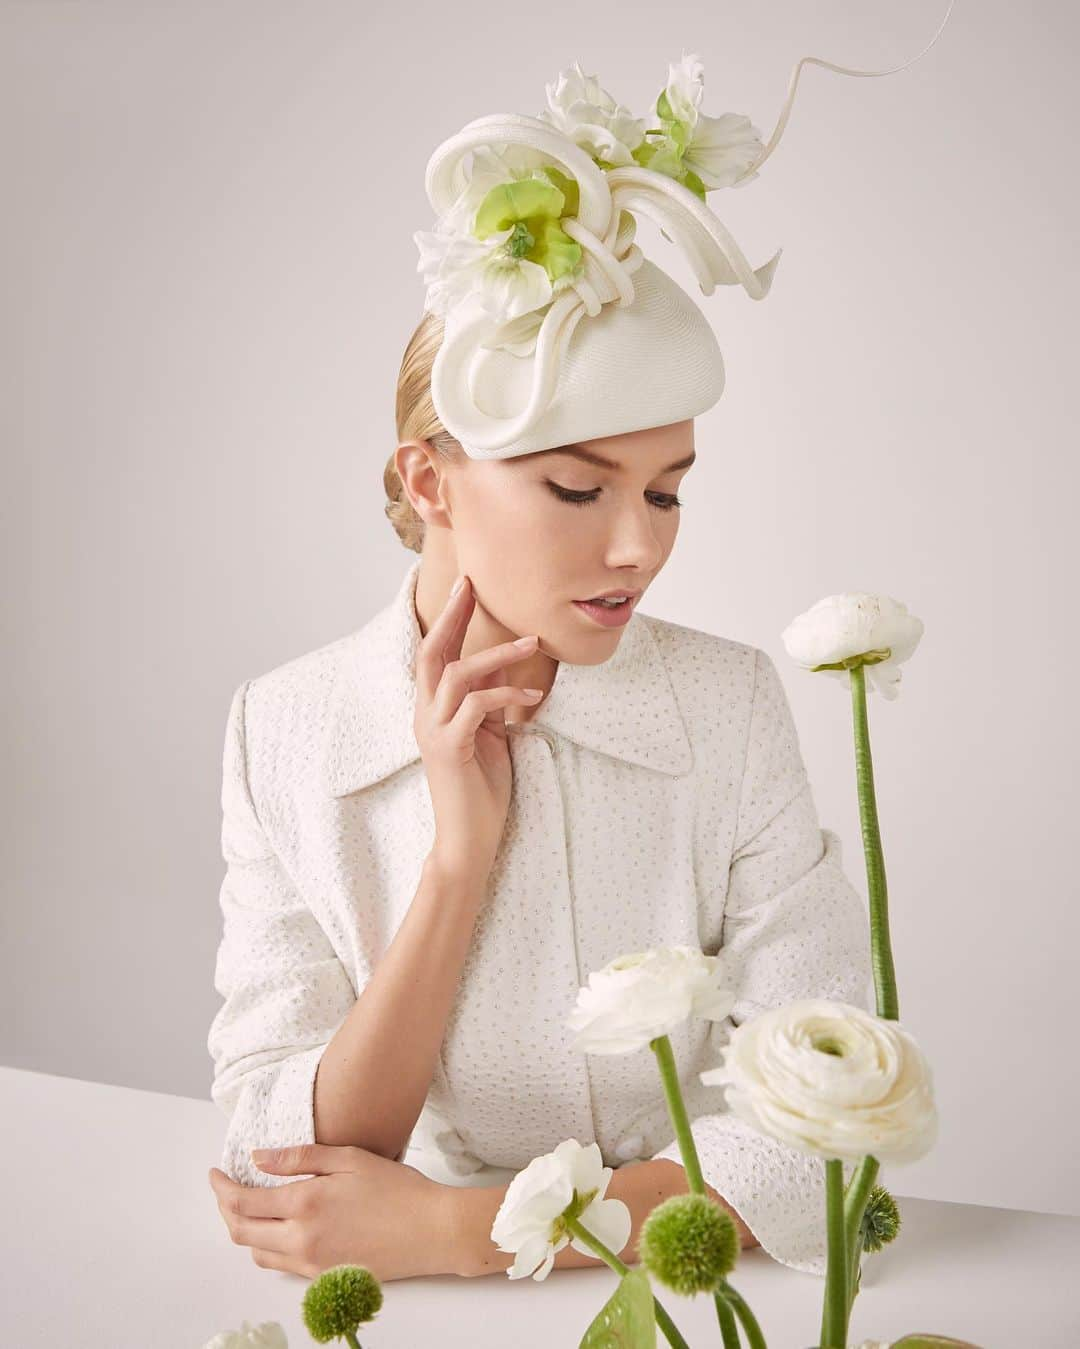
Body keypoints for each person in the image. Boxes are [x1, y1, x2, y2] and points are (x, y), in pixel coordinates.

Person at [203, 51, 929, 1285]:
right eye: (578, 487)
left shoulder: (728, 705)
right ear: (430, 481)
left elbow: (821, 1130)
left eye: (665, 489)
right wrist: (456, 856)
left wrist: (463, 1231)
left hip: (678, 1297)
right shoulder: (288, 726)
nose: (639, 543)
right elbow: (286, 1156)